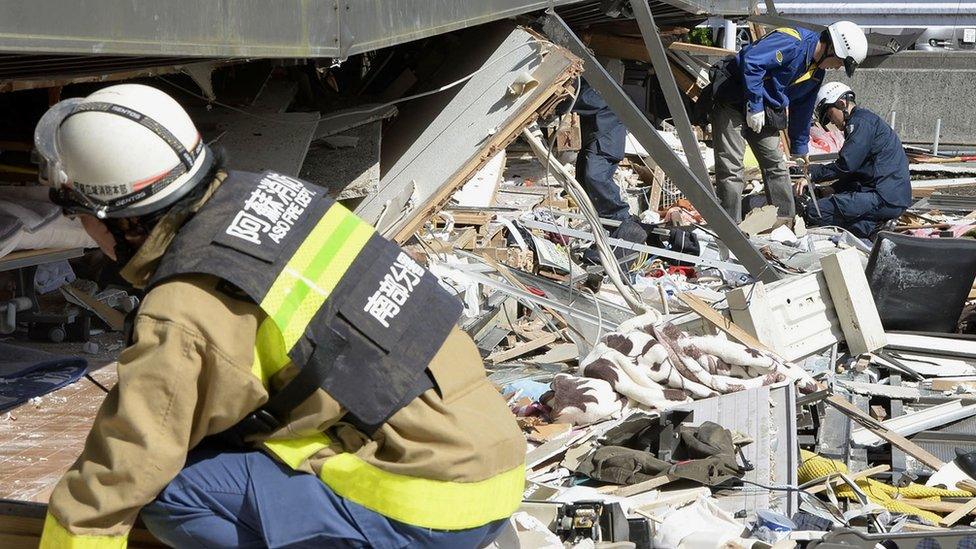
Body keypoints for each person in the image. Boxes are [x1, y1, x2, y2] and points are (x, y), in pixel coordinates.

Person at [36, 84, 526, 548]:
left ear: (119, 219)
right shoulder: (273, 197)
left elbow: (126, 463)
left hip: (430, 505)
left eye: (77, 214)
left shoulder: (185, 306)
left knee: (170, 494)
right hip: (490, 460)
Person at [709, 21, 868, 222]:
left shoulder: (816, 73)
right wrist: (754, 105)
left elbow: (802, 107)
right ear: (831, 48)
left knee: (776, 165)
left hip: (764, 109)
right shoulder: (791, 41)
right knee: (731, 168)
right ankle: (729, 227)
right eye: (839, 62)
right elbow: (751, 61)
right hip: (733, 98)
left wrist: (800, 148)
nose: (837, 68)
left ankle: (784, 222)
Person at [793, 82, 911, 238]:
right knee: (841, 213)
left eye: (829, 115)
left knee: (813, 211)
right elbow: (859, 171)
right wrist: (834, 188)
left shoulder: (860, 123)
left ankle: (872, 225)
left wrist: (811, 175)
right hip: (890, 196)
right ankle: (874, 227)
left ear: (842, 104)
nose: (831, 122)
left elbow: (846, 165)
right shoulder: (864, 122)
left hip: (882, 196)